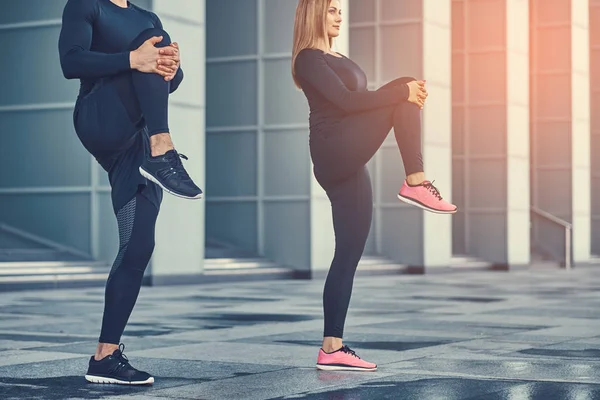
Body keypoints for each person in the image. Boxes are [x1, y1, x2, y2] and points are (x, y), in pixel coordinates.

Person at [292, 0, 457, 372]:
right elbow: (348, 102)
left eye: (339, 10)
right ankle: (415, 179)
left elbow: (364, 103)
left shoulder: (337, 56)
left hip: (351, 159)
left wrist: (405, 97)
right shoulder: (308, 58)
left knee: (348, 253)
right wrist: (404, 96)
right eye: (332, 9)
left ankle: (331, 348)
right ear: (314, 13)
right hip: (333, 148)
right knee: (401, 87)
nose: (339, 15)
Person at [58, 0, 202, 385]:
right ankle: (163, 147)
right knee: (150, 42)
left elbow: (159, 79)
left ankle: (105, 357)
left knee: (137, 246)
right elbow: (70, 63)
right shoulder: (86, 5)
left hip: (132, 143)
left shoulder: (146, 16)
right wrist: (133, 58)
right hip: (98, 116)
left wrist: (173, 69)